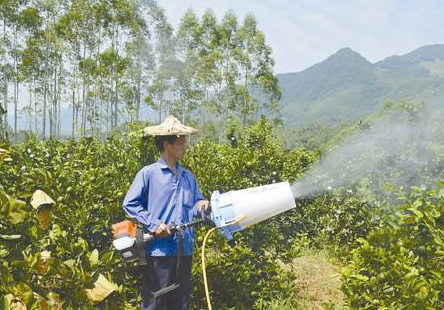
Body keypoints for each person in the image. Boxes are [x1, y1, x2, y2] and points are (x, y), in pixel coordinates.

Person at [123, 116, 210, 310]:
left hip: (184, 251)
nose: (184, 146)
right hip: (159, 251)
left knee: (180, 304)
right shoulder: (149, 174)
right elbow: (130, 204)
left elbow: (197, 204)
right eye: (181, 142)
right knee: (155, 303)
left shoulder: (188, 177)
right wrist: (154, 224)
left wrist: (202, 204)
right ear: (167, 144)